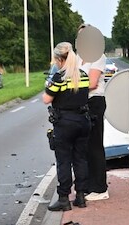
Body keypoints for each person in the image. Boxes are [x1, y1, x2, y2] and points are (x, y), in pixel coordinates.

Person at [43, 42, 92, 211]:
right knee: (80, 159)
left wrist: (48, 85)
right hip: (83, 121)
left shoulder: (59, 77)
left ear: (58, 59)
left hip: (64, 123)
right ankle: (80, 196)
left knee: (64, 161)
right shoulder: (83, 76)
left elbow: (46, 99)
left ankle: (64, 198)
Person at [78, 25, 109, 201]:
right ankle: (88, 185)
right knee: (84, 147)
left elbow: (92, 83)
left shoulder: (97, 56)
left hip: (94, 102)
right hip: (80, 103)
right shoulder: (77, 58)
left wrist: (71, 87)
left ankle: (100, 188)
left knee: (95, 145)